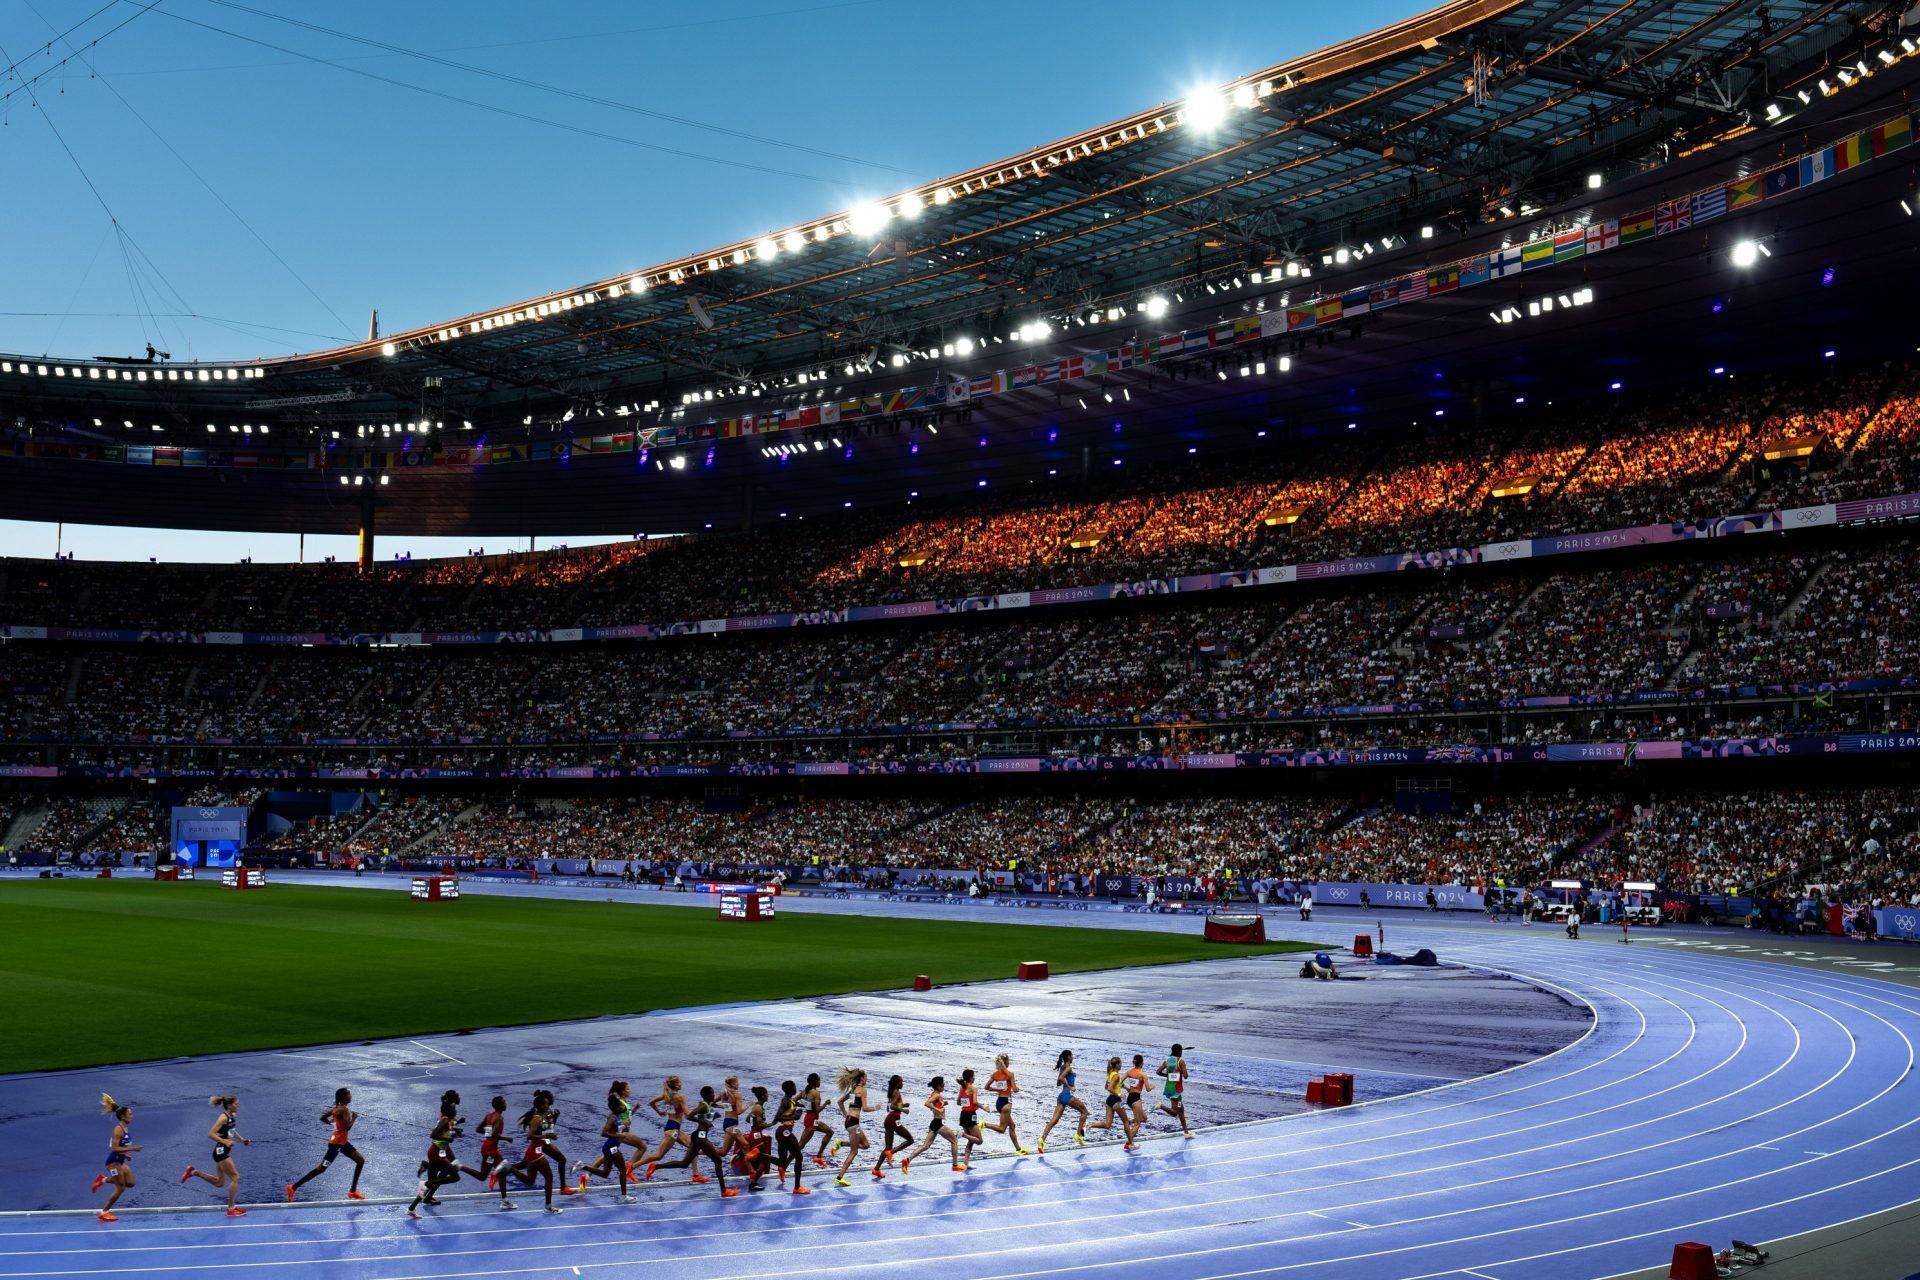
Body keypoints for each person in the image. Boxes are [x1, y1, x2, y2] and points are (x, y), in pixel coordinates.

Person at [652, 1085, 738, 1197]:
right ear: (707, 1095)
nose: (714, 1095)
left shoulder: (707, 1105)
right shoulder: (703, 1105)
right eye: (712, 1093)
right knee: (718, 1160)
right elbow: (689, 1116)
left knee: (684, 1164)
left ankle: (655, 1166)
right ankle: (724, 1191)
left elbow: (704, 1119)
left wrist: (713, 1117)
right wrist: (702, 1122)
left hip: (697, 1136)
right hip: (700, 1137)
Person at [287, 1087, 366, 1202]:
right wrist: (354, 1118)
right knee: (321, 1169)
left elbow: (323, 1118)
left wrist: (333, 1124)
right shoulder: (343, 1110)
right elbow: (347, 1128)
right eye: (349, 1094)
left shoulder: (336, 1108)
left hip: (342, 1143)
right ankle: (293, 1187)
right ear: (344, 1097)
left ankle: (353, 1191)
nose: (351, 1096)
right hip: (336, 1145)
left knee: (360, 1160)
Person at [181, 1095, 250, 1216]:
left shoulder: (232, 1116)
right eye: (236, 1104)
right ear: (229, 1105)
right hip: (221, 1151)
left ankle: (194, 1172)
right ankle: (231, 1209)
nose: (238, 1105)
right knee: (235, 1178)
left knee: (219, 1183)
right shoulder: (223, 1117)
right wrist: (225, 1141)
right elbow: (210, 1134)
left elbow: (231, 1131)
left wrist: (241, 1139)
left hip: (223, 1150)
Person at [576, 1090, 638, 1202]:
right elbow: (603, 1133)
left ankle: (582, 1166)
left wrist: (626, 1126)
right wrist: (619, 1135)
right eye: (620, 1105)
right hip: (611, 1147)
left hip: (611, 1147)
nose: (622, 1106)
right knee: (623, 1170)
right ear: (616, 1107)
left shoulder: (618, 1116)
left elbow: (622, 1126)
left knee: (605, 1173)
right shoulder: (612, 1117)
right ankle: (624, 1196)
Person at [898, 1076, 963, 1175]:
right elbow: (927, 1103)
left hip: (934, 1123)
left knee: (926, 1145)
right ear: (938, 1086)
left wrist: (943, 1104)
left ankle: (907, 1160)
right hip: (939, 1123)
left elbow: (933, 1105)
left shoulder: (936, 1094)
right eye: (943, 1084)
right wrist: (938, 1109)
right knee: (954, 1140)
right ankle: (955, 1166)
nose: (944, 1086)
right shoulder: (936, 1096)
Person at [92, 1094, 141, 1221]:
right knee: (121, 1187)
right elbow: (114, 1148)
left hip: (120, 1160)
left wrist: (126, 1155)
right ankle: (104, 1212)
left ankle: (102, 1180)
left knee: (130, 1183)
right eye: (130, 1114)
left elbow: (121, 1146)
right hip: (113, 1163)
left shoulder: (125, 1128)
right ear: (123, 1116)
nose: (132, 1116)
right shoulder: (118, 1130)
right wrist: (132, 1148)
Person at [1036, 1049, 1089, 1154]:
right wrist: (1070, 1086)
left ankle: (1042, 1140)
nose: (1073, 1057)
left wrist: (1072, 1076)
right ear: (1068, 1057)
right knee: (1084, 1112)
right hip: (1067, 1095)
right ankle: (1078, 1134)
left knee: (1054, 1120)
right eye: (1072, 1055)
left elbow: (1058, 1083)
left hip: (1061, 1097)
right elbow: (1061, 1078)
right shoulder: (1068, 1068)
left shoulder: (1063, 1067)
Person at [831, 1067, 877, 1186]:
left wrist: (846, 1115)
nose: (867, 1079)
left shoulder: (853, 1089)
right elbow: (865, 1109)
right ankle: (839, 1177)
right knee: (854, 1151)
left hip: (850, 1121)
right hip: (854, 1122)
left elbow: (840, 1102)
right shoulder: (862, 1090)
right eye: (866, 1077)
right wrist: (875, 1108)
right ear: (861, 1078)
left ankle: (841, 1144)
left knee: (866, 1145)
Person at [979, 1053, 1029, 1154]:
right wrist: (1016, 1089)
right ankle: (984, 1124)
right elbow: (1014, 1089)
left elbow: (986, 1087)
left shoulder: (995, 1075)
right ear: (1007, 1062)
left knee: (1012, 1125)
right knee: (1002, 1129)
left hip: (999, 1102)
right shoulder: (1010, 1074)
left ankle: (1018, 1149)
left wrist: (998, 1089)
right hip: (1007, 1103)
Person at [770, 1079, 811, 1195]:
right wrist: (795, 1117)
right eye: (793, 1087)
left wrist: (802, 1107)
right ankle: (797, 1187)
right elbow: (778, 1117)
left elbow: (796, 1104)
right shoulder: (786, 1102)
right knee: (799, 1157)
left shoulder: (790, 1101)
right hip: (785, 1131)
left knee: (782, 1163)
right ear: (789, 1089)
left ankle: (758, 1154)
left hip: (782, 1132)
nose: (795, 1088)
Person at [1087, 1056, 1137, 1149]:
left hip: (1109, 1100)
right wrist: (1119, 1094)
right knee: (1126, 1122)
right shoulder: (1117, 1075)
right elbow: (1110, 1088)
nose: (1122, 1065)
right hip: (1115, 1100)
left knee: (1107, 1124)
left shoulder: (1111, 1074)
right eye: (1121, 1063)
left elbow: (1106, 1086)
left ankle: (1090, 1125)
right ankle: (1131, 1144)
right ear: (1117, 1064)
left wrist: (1125, 1088)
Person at [637, 1076, 688, 1167]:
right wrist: (700, 1109)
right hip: (673, 1130)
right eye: (679, 1082)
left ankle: (696, 1174)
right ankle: (632, 1166)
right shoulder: (680, 1097)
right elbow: (687, 1114)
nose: (681, 1084)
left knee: (693, 1146)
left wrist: (659, 1111)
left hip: (672, 1127)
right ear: (675, 1085)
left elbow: (651, 1102)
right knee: (658, 1155)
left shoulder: (667, 1095)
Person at [1155, 1044, 1193, 1139]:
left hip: (1169, 1088)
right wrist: (1183, 1071)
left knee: (1181, 1110)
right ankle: (1160, 1106)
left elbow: (1158, 1071)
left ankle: (1186, 1132)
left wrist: (1166, 1076)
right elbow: (1185, 1076)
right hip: (1176, 1090)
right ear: (1180, 1052)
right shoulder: (1181, 1061)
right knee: (1175, 1112)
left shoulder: (1168, 1061)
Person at [876, 1074, 913, 1171]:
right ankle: (891, 1153)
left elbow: (890, 1107)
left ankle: (876, 1169)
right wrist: (904, 1110)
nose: (902, 1084)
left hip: (888, 1120)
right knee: (910, 1140)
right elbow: (892, 1107)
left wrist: (904, 1105)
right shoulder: (897, 1092)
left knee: (888, 1147)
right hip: (894, 1120)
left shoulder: (892, 1092)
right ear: (897, 1083)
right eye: (901, 1082)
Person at [800, 1072, 835, 1167]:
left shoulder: (803, 1092)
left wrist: (806, 1105)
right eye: (819, 1080)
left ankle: (818, 1156)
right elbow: (817, 1110)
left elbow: (794, 1102)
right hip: (812, 1120)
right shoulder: (816, 1093)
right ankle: (783, 1165)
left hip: (811, 1118)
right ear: (815, 1082)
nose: (820, 1082)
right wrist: (826, 1104)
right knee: (801, 1145)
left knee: (830, 1132)